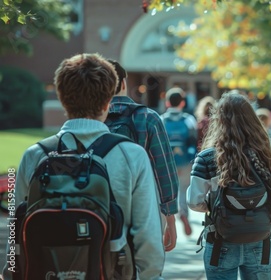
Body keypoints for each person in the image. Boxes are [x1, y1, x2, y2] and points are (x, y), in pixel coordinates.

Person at [3, 53, 165, 279]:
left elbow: (15, 230)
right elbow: (148, 237)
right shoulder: (132, 155)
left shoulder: (34, 155)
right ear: (109, 100)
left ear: (62, 99)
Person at [187, 92, 271, 279]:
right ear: (253, 120)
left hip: (220, 241)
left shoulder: (207, 158)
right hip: (260, 242)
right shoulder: (268, 157)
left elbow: (194, 202)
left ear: (219, 121)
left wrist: (216, 204)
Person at [107, 59, 179, 251]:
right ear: (123, 83)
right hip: (142, 211)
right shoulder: (148, 117)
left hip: (99, 211)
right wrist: (170, 217)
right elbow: (164, 170)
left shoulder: (91, 119)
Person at [161, 87, 198, 236]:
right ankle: (183, 213)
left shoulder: (161, 119)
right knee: (183, 191)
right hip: (185, 161)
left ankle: (168, 222)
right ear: (182, 103)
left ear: (167, 103)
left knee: (167, 193)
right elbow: (194, 141)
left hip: (167, 163)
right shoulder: (189, 119)